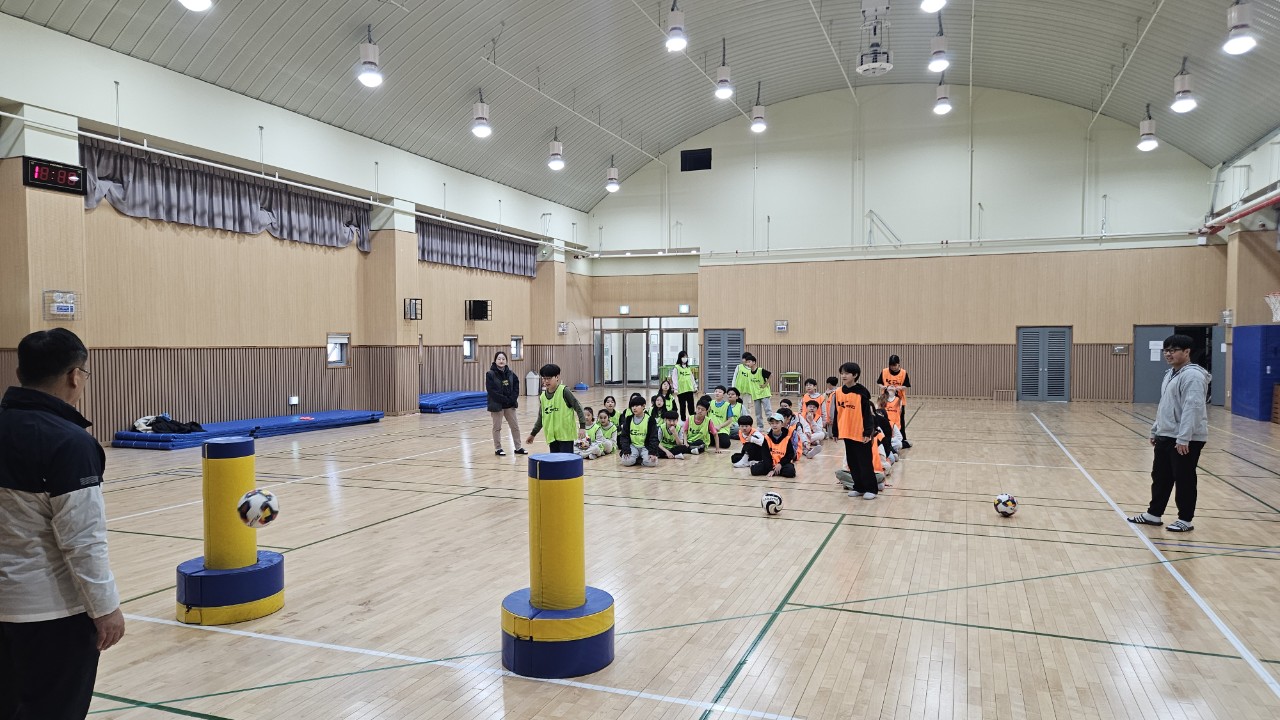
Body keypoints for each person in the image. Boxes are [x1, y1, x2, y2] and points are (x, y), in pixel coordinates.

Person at [0, 328, 125, 720]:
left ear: (20, 374)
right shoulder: (70, 443)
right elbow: (82, 540)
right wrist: (105, 608)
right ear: (74, 375)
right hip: (50, 615)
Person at [1128, 334, 1210, 533]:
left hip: (1186, 439)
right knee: (1160, 476)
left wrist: (1184, 438)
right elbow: (1166, 405)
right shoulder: (1170, 374)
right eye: (1166, 350)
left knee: (1184, 478)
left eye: (1173, 350)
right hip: (1167, 434)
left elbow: (1193, 408)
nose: (1168, 354)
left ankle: (1185, 519)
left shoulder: (1193, 376)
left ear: (1187, 352)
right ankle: (1154, 514)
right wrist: (1156, 429)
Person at [835, 362, 878, 499]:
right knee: (852, 462)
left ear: (855, 375)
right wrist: (836, 431)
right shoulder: (838, 392)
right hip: (846, 433)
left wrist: (868, 432)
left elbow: (868, 415)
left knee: (864, 462)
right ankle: (859, 487)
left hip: (860, 433)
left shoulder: (862, 392)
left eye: (847, 373)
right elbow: (837, 413)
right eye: (842, 373)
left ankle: (871, 489)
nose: (843, 375)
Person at [525, 364, 588, 454]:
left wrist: (582, 426)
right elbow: (541, 418)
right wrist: (533, 434)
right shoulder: (543, 397)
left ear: (557, 377)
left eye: (549, 378)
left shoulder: (564, 391)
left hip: (565, 437)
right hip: (552, 437)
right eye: (544, 378)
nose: (546, 381)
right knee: (555, 461)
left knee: (566, 461)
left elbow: (578, 407)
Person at [485, 351, 527, 457]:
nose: (501, 361)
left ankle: (518, 447)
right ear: (495, 360)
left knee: (515, 426)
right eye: (499, 359)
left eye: (503, 359)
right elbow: (491, 391)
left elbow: (516, 387)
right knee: (497, 428)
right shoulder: (490, 374)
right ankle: (498, 448)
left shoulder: (511, 374)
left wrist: (512, 398)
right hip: (497, 406)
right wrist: (504, 399)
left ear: (506, 361)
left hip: (510, 405)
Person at [876, 355, 913, 448]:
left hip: (898, 400)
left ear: (898, 364)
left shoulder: (903, 373)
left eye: (895, 365)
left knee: (900, 420)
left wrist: (900, 388)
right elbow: (879, 383)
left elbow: (906, 385)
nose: (893, 367)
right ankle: (883, 438)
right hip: (885, 399)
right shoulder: (884, 371)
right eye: (891, 365)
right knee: (883, 418)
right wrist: (883, 387)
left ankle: (902, 439)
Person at [618, 394, 659, 467]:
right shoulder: (628, 419)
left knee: (652, 463)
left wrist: (652, 453)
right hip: (633, 446)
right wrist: (626, 450)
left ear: (643, 406)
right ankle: (638, 459)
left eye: (637, 406)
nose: (634, 408)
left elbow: (654, 438)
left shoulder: (650, 420)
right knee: (626, 462)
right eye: (633, 406)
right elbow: (624, 436)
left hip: (645, 447)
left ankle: (640, 459)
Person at [753, 413, 798, 478]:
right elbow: (765, 455)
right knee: (754, 470)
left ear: (782, 424)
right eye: (772, 423)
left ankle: (776, 470)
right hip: (770, 463)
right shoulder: (767, 438)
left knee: (790, 472)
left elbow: (790, 454)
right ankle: (775, 471)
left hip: (782, 464)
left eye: (777, 423)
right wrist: (770, 469)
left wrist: (780, 464)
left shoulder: (787, 438)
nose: (774, 425)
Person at [671, 351, 698, 421]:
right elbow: (674, 378)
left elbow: (692, 378)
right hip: (681, 390)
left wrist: (695, 386)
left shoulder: (688, 368)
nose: (685, 358)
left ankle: (692, 419)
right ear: (680, 357)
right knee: (682, 406)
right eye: (683, 357)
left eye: (686, 357)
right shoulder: (676, 367)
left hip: (689, 389)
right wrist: (675, 389)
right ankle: (683, 420)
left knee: (691, 405)